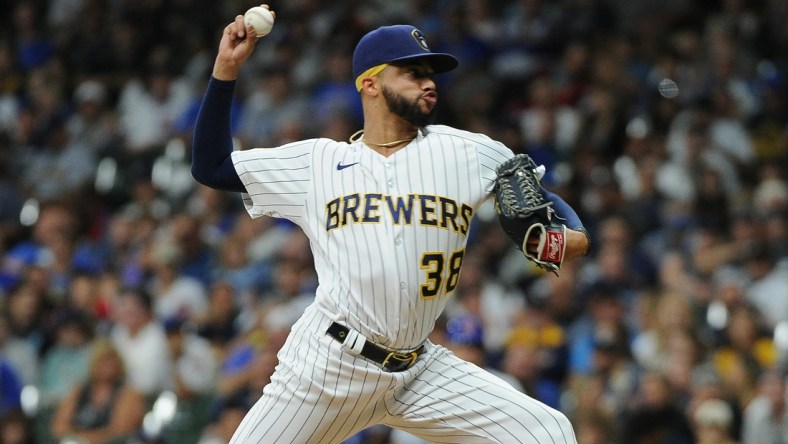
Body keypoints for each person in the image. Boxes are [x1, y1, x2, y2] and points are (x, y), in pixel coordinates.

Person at [192, 8, 588, 443]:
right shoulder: (317, 163)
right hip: (328, 366)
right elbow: (211, 166)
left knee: (547, 431)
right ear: (370, 83)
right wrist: (226, 69)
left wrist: (574, 236)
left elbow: (542, 199)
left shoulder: (468, 152)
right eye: (413, 73)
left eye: (431, 74)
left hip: (420, 372)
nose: (429, 82)